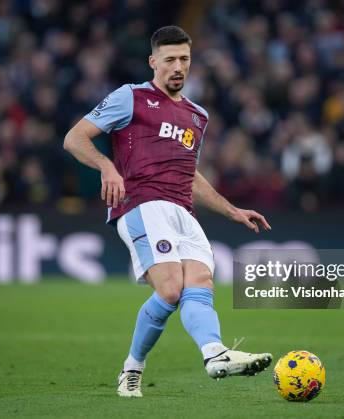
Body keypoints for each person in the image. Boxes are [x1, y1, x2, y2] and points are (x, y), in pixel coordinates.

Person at [63, 26, 272, 398]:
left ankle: (212, 354)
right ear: (153, 62)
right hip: (142, 204)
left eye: (185, 60)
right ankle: (143, 366)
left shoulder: (197, 116)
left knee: (198, 285)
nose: (178, 67)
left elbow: (189, 174)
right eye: (170, 59)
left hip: (183, 212)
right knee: (171, 287)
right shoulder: (130, 97)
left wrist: (230, 210)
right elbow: (75, 138)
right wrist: (107, 167)